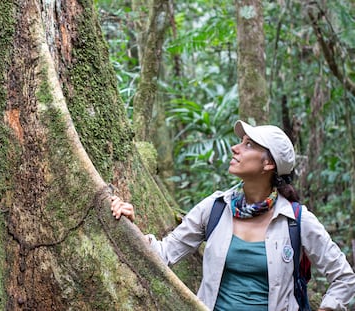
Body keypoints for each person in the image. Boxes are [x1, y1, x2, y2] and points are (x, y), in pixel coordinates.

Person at [111, 120, 355, 311]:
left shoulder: (296, 220)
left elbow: (344, 278)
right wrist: (129, 226)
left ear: (268, 164)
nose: (235, 148)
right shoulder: (216, 207)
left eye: (248, 144)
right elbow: (164, 253)